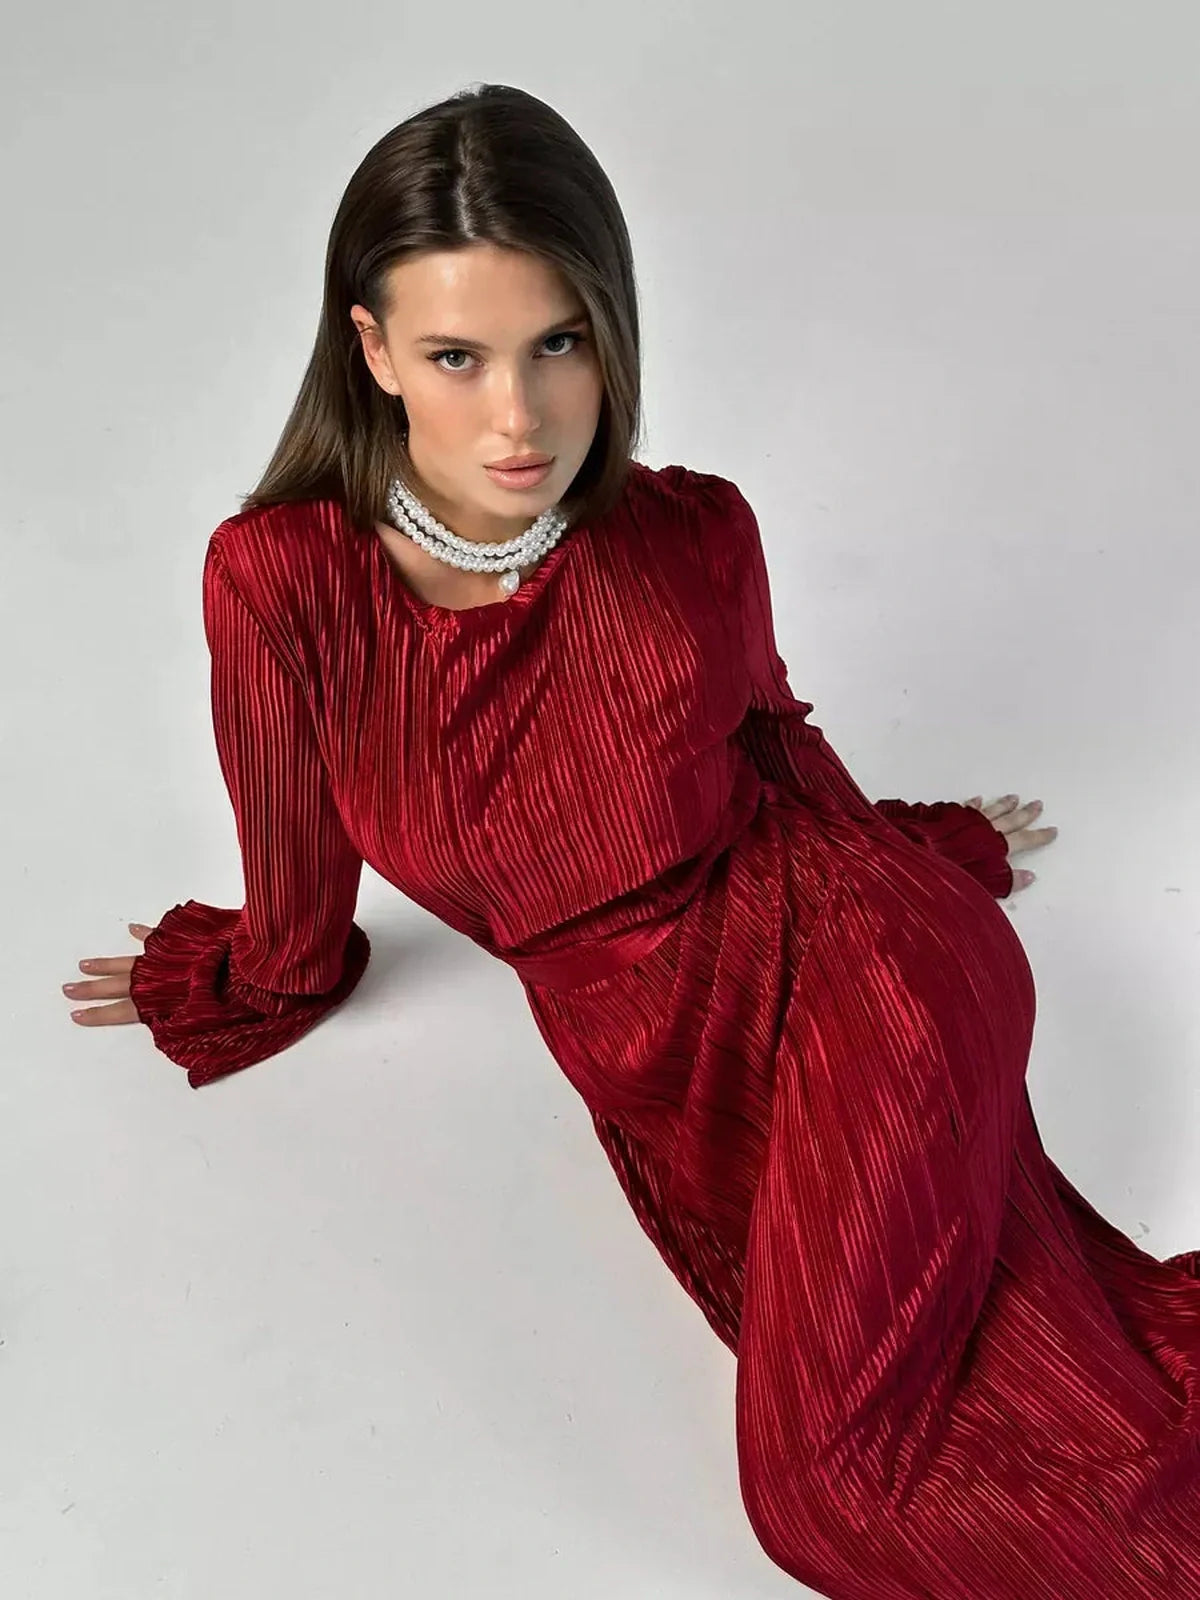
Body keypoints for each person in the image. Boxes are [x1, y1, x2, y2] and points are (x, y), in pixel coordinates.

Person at [61, 83, 1200, 1599]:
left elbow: (780, 743)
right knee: (1013, 1400)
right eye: (458, 356)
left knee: (832, 1497)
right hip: (678, 1065)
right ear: (375, 350)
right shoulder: (282, 583)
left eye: (560, 343)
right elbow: (295, 857)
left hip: (874, 978)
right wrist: (273, 971)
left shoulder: (694, 533)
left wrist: (926, 852)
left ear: (612, 332)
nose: (518, 415)